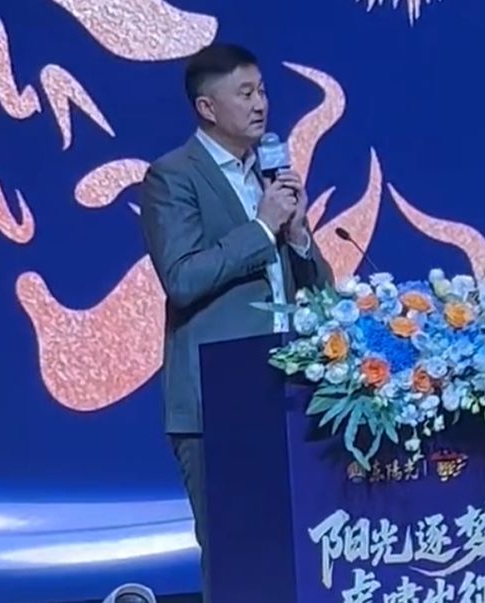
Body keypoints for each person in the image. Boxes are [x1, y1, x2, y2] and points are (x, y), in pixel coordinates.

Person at [139, 43, 332, 600]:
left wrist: (298, 237)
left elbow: (320, 295)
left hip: (288, 396)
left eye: (263, 90)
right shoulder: (173, 177)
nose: (260, 104)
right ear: (207, 107)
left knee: (300, 548)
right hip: (217, 403)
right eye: (245, 93)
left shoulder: (268, 179)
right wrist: (262, 228)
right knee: (236, 555)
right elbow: (182, 277)